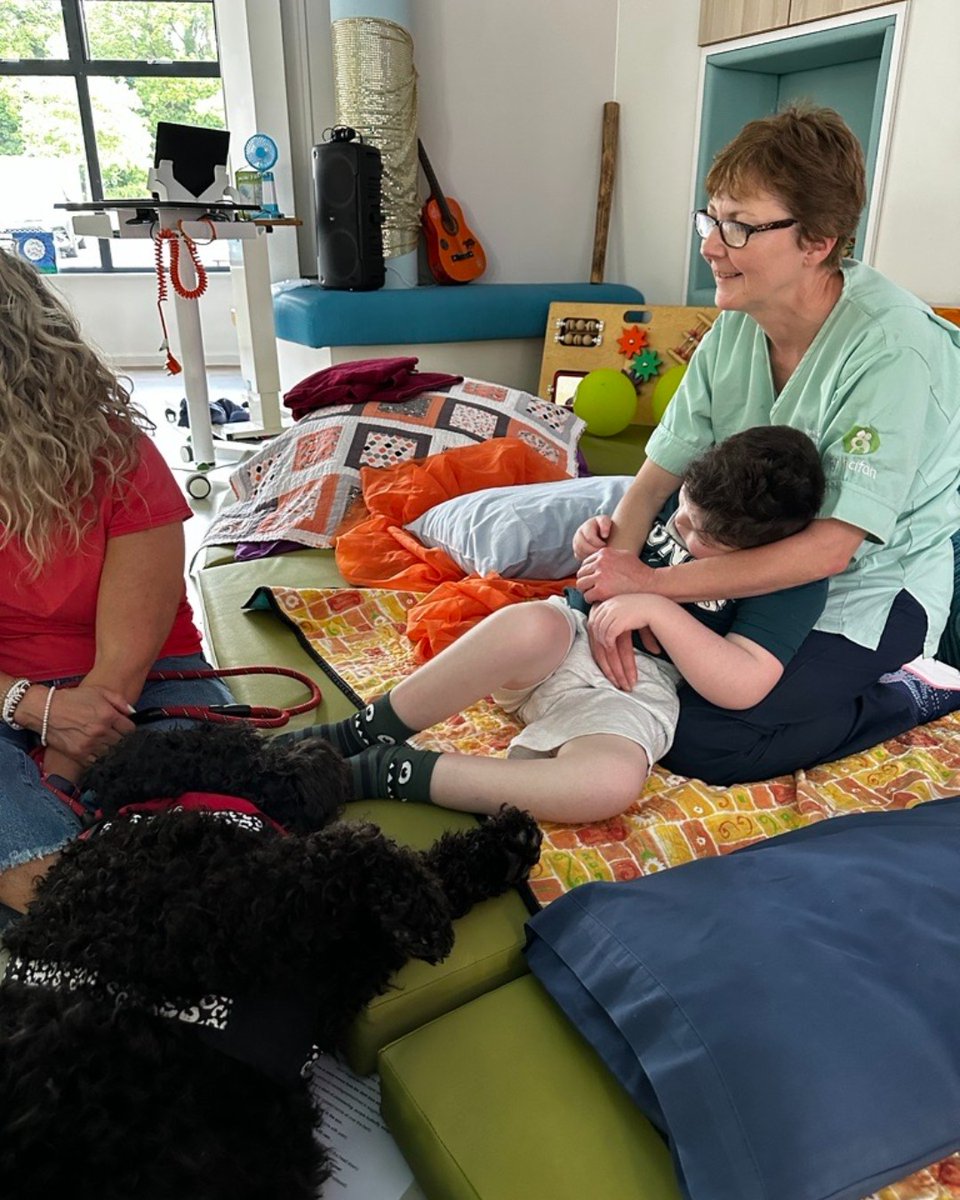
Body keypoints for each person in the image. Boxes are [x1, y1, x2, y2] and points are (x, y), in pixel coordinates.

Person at [574, 103, 960, 787]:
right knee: (601, 653)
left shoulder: (892, 349)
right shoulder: (737, 322)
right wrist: (613, 573)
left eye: (739, 227)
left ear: (817, 241)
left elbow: (833, 549)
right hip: (746, 552)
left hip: (872, 584)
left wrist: (655, 588)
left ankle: (909, 692)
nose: (710, 245)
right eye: (711, 217)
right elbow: (659, 473)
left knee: (699, 736)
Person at [285, 426, 827, 823]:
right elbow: (602, 564)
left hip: (635, 694)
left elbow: (744, 683)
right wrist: (590, 544)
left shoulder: (788, 579)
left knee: (609, 785)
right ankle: (360, 732)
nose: (680, 529)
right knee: (527, 624)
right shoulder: (682, 499)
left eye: (700, 535)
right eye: (681, 512)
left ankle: (391, 773)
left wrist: (657, 607)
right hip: (565, 640)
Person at [0, 248, 234, 921]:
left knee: (204, 823)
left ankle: (96, 916)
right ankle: (98, 921)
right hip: (8, 694)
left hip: (143, 684)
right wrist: (32, 710)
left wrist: (60, 760)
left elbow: (117, 679)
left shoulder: (118, 455)